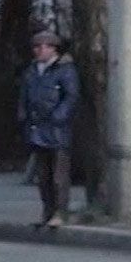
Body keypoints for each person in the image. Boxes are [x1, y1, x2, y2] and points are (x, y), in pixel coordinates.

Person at [17, 31, 80, 228]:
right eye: (36, 47)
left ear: (53, 49)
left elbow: (71, 96)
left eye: (43, 47)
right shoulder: (31, 71)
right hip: (36, 127)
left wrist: (59, 116)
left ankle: (60, 212)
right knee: (43, 175)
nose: (38, 50)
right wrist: (23, 115)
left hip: (57, 129)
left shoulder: (65, 70)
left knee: (58, 175)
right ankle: (47, 211)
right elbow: (24, 96)